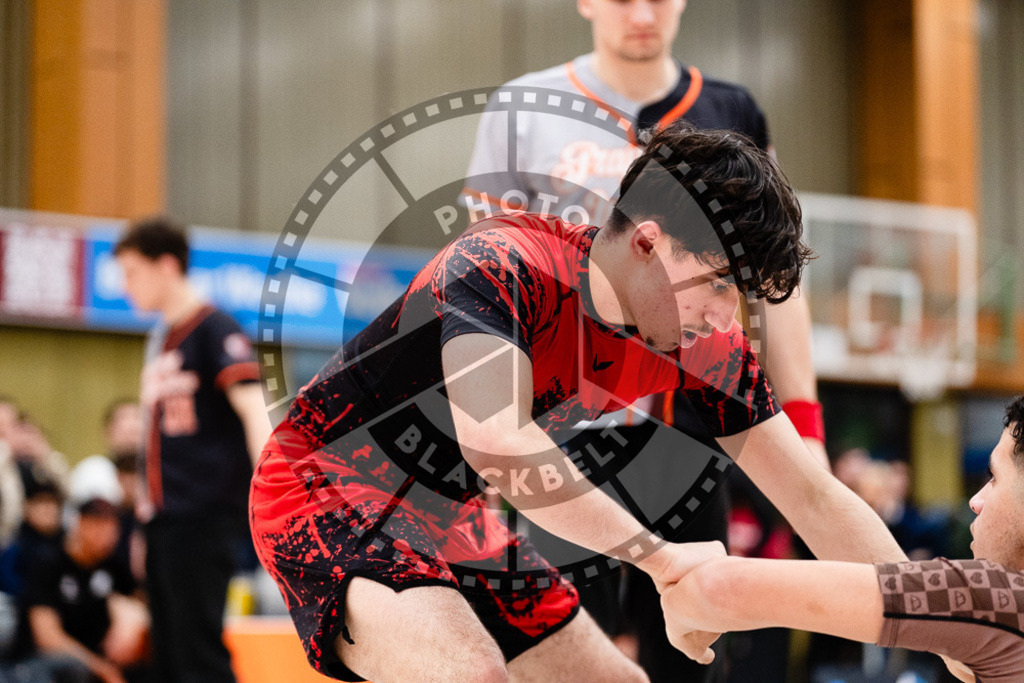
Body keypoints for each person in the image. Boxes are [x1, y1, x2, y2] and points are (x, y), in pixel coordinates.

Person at [250, 124, 906, 682]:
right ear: (648, 242)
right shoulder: (501, 264)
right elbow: (498, 441)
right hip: (324, 488)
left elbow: (813, 497)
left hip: (450, 513)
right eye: (717, 284)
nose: (724, 314)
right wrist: (661, 557)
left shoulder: (707, 343)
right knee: (474, 674)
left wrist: (940, 616)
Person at [463, 2, 825, 677]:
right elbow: (481, 270)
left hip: (693, 425)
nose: (642, 12)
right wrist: (481, 440)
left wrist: (805, 424)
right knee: (563, 652)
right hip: (558, 427)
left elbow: (779, 283)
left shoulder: (732, 110)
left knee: (696, 645)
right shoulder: (524, 108)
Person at [661, 394, 1024, 683]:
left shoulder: (999, 599)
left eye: (993, 478)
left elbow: (718, 588)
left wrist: (674, 589)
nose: (976, 501)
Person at [114, 217, 271, 682]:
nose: (126, 287)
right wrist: (147, 518)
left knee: (198, 653)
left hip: (204, 515)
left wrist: (272, 491)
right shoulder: (160, 340)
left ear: (165, 266)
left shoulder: (214, 327)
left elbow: (254, 409)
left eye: (132, 273)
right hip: (165, 520)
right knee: (168, 655)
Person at [15, 495, 148, 683]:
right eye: (99, 529)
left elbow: (141, 600)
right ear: (80, 524)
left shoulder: (111, 565)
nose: (106, 539)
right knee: (73, 670)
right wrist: (100, 667)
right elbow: (47, 636)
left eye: (112, 531)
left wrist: (129, 623)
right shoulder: (48, 563)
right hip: (44, 662)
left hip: (99, 657)